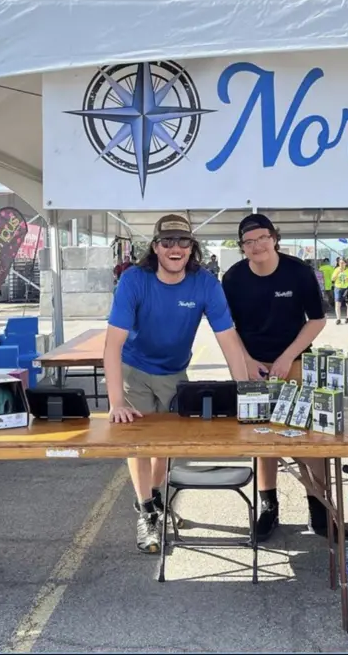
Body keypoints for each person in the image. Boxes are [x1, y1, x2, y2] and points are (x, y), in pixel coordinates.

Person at [103, 214, 249, 554]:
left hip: (175, 372)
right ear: (155, 248)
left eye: (183, 242)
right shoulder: (134, 280)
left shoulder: (205, 284)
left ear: (192, 248)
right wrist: (115, 402)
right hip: (134, 369)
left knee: (167, 448)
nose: (175, 248)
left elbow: (228, 339)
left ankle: (153, 498)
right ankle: (145, 512)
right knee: (138, 444)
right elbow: (112, 344)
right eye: (167, 242)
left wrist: (247, 392)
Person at [222, 214, 328, 541]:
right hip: (252, 367)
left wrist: (287, 357)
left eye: (262, 238)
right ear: (242, 247)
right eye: (249, 242)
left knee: (306, 439)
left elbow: (317, 320)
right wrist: (247, 361)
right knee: (262, 440)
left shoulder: (299, 272)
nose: (257, 246)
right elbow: (228, 328)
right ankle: (268, 506)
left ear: (274, 238)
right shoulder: (233, 278)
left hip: (292, 362)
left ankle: (320, 507)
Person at [333, 258, 348, 324]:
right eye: (340, 263)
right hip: (338, 288)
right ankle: (338, 319)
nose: (341, 264)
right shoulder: (336, 270)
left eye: (343, 263)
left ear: (346, 264)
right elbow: (333, 279)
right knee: (337, 303)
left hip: (347, 288)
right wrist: (338, 273)